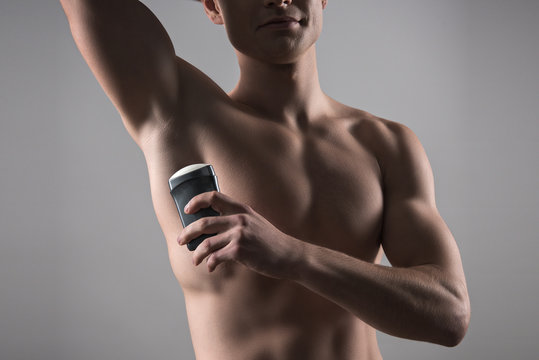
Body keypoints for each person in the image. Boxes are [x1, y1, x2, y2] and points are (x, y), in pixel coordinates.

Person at [59, 0, 471, 358]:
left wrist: (292, 256)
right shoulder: (176, 115)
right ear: (213, 6)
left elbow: (449, 314)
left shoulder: (386, 145)